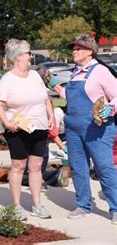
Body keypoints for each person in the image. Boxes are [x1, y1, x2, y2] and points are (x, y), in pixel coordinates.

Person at [50, 34, 116, 224]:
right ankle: (83, 205)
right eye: (73, 48)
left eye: (78, 48)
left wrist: (110, 108)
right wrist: (56, 86)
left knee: (104, 168)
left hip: (98, 129)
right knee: (78, 168)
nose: (74, 51)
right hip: (73, 129)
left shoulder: (101, 71)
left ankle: (116, 208)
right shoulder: (76, 72)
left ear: (90, 51)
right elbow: (71, 98)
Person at [0, 39, 55, 221]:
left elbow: (46, 99)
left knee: (36, 167)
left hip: (40, 129)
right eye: (28, 53)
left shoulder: (35, 76)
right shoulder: (8, 79)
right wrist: (7, 123)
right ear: (19, 56)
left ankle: (37, 205)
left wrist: (50, 116)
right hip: (18, 130)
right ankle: (17, 206)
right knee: (19, 166)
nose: (31, 56)